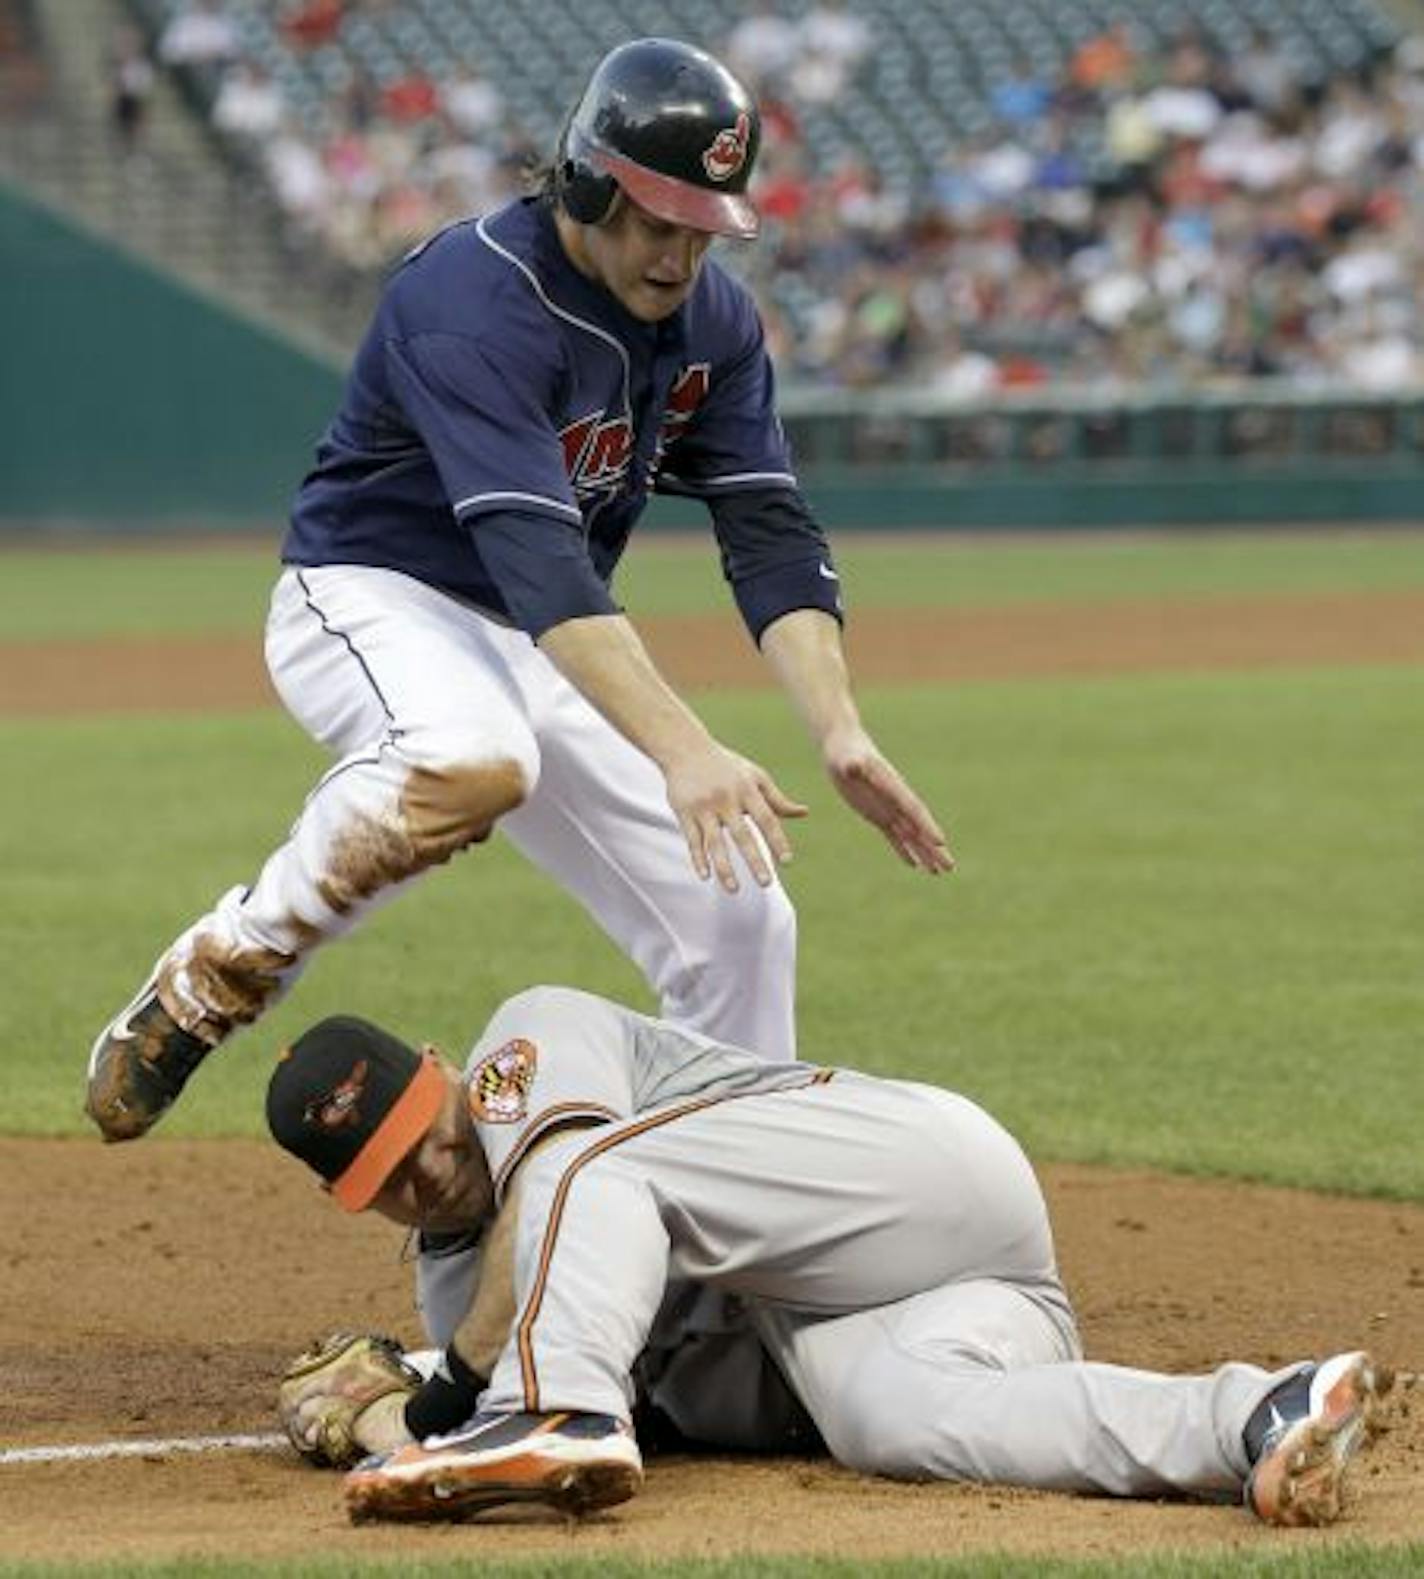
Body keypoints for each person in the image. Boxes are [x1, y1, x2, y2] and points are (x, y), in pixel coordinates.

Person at [85, 37, 950, 1144]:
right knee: (472, 759)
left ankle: (733, 1211)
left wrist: (837, 729)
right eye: (658, 220)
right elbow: (540, 559)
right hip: (369, 594)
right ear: (586, 182)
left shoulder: (712, 325)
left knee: (736, 916)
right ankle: (215, 976)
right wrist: (685, 749)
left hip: (535, 638)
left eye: (704, 227)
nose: (683, 255)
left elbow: (768, 529)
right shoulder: (474, 295)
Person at [266, 986, 1393, 1528]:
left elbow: (544, 1213)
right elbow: (497, 1371)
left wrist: (440, 1394)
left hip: (903, 1171)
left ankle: (558, 1407)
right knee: (884, 1418)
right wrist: (381, 1418)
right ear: (343, 1198)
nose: (429, 1171)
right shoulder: (458, 1290)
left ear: (440, 1066)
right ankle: (1255, 1416)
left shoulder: (525, 1045)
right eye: (386, 1178)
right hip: (927, 1302)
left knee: (573, 1172)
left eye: (428, 1128)